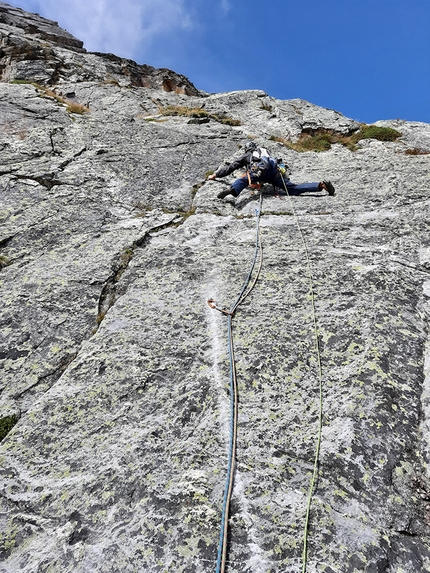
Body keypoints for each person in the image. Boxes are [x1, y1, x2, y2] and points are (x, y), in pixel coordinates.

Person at [208, 141, 335, 199]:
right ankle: (320, 185)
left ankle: (233, 189)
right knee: (293, 189)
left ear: (247, 149)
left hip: (258, 172)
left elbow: (231, 167)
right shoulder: (266, 154)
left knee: (244, 179)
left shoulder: (248, 155)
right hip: (274, 174)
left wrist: (215, 175)